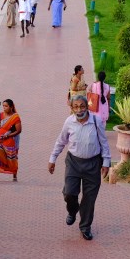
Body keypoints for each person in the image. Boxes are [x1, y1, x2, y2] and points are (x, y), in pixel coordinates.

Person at [48, 95, 111, 241]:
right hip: (73, 163)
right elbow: (61, 141)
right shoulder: (69, 122)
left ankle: (85, 227)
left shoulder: (96, 121)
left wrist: (106, 162)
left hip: (93, 164)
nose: (79, 110)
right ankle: (72, 210)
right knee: (69, 193)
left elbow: (104, 142)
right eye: (75, 107)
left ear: (87, 107)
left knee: (89, 198)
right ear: (72, 108)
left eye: (82, 106)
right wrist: (52, 159)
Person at [0, 99, 21, 181]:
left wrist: (8, 135)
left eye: (6, 106)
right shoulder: (1, 115)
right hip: (1, 139)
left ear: (11, 107)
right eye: (3, 106)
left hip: (11, 139)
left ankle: (14, 176)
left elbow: (18, 130)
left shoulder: (15, 117)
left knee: (11, 157)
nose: (4, 108)